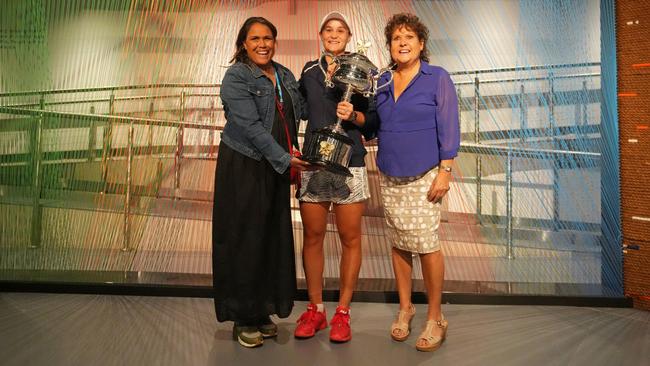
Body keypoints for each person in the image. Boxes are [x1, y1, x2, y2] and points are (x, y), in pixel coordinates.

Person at [212, 16, 311, 348]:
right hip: (244, 165)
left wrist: (331, 76)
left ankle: (263, 310)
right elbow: (252, 127)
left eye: (268, 38)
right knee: (244, 238)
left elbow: (302, 110)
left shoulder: (283, 74)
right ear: (243, 43)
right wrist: (285, 158)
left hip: (275, 166)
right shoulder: (236, 76)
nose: (262, 44)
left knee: (271, 237)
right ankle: (243, 315)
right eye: (255, 39)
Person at [367, 13, 460, 352]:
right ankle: (406, 308)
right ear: (389, 46)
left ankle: (436, 317)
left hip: (425, 175)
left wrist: (445, 170)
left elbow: (449, 123)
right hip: (390, 173)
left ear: (421, 44)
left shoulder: (437, 78)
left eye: (409, 37)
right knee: (399, 242)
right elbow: (374, 125)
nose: (402, 43)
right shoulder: (380, 81)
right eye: (395, 38)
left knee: (426, 244)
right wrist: (354, 115)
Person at [293, 11, 373, 343]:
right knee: (312, 236)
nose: (334, 33)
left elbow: (375, 120)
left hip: (350, 162)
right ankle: (316, 309)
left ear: (349, 35)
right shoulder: (310, 71)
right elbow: (299, 110)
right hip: (315, 163)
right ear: (321, 34)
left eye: (341, 29)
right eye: (329, 29)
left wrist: (354, 114)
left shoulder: (364, 71)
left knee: (350, 238)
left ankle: (342, 312)